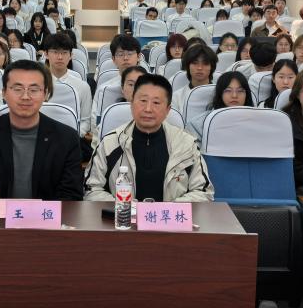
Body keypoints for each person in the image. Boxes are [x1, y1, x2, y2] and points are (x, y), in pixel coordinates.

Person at [0, 60, 83, 201]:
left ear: (45, 94)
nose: (25, 96)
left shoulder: (66, 138)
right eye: (17, 89)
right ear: (4, 93)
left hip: (47, 215)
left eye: (34, 90)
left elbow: (71, 195)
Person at [85, 74, 213, 202]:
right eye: (143, 101)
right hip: (123, 214)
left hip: (169, 214)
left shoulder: (186, 144)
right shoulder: (110, 143)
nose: (148, 109)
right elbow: (91, 189)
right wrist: (126, 208)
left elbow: (203, 192)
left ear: (168, 110)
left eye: (156, 103)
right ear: (131, 104)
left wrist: (168, 209)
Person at [45, 32, 92, 138]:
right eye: (55, 52)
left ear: (71, 55)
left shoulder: (82, 86)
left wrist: (72, 137)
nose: (60, 57)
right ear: (46, 54)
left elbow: (85, 121)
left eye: (64, 52)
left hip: (73, 138)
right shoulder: (37, 85)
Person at [187, 71, 253, 145]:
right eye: (228, 91)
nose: (234, 95)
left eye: (240, 91)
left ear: (247, 94)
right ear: (220, 94)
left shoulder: (256, 121)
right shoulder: (198, 124)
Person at [173, 44, 216, 112]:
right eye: (195, 63)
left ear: (212, 67)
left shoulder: (220, 94)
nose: (199, 68)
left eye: (205, 63)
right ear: (188, 66)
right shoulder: (177, 97)